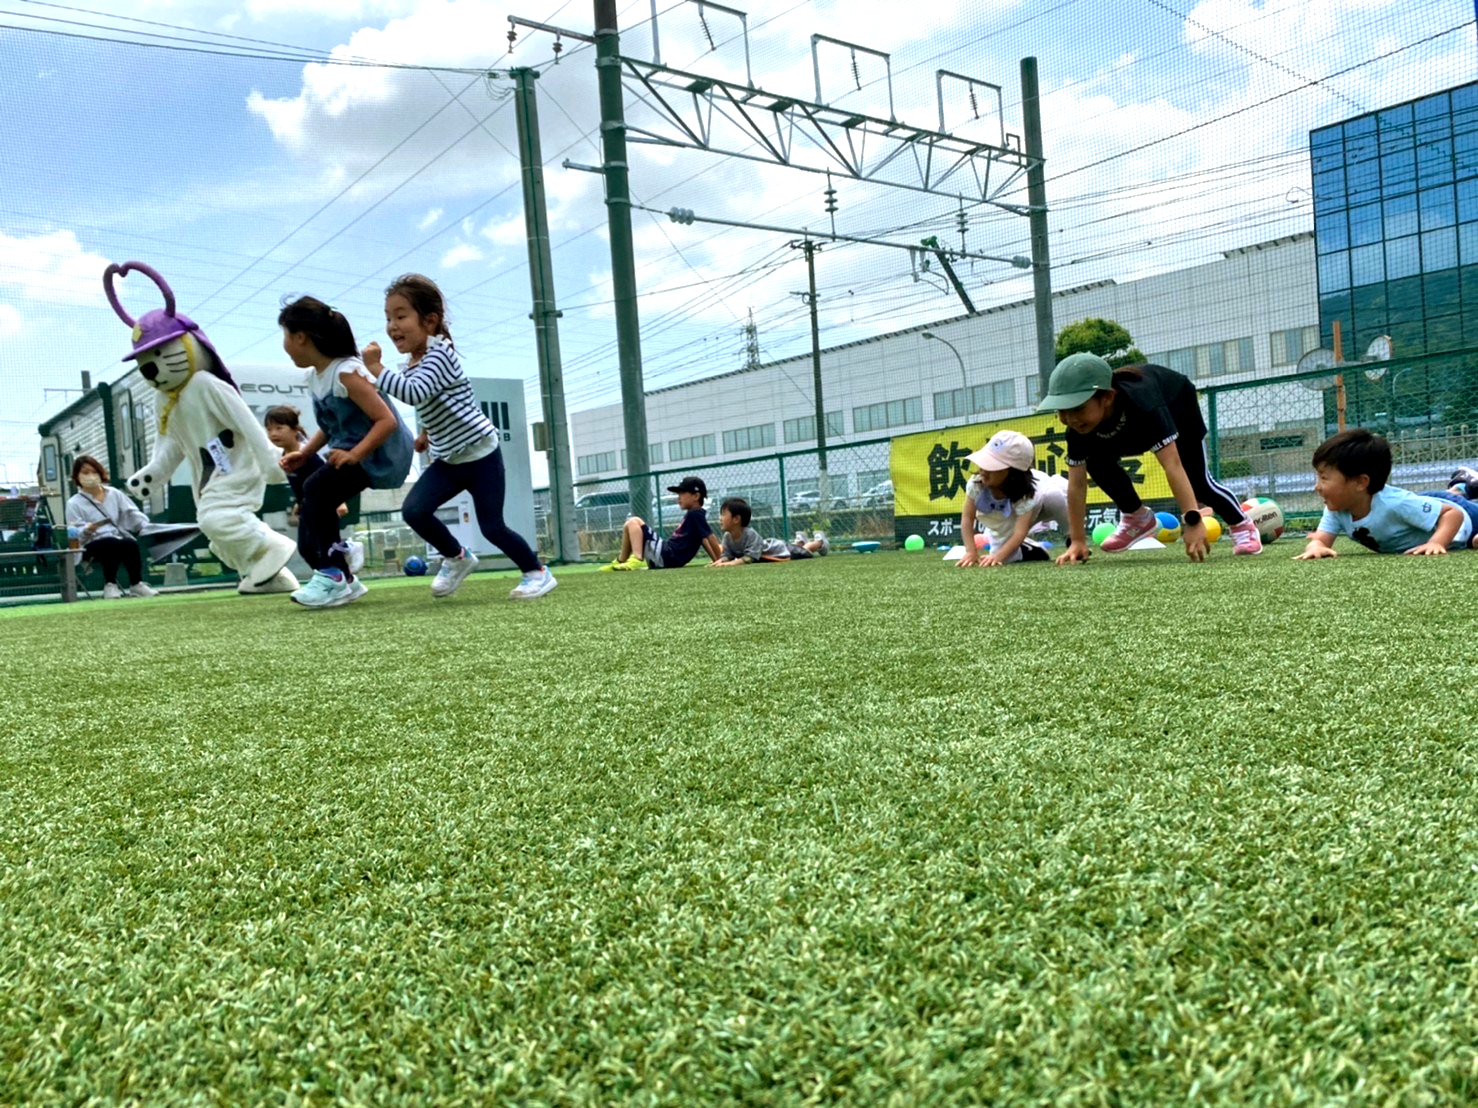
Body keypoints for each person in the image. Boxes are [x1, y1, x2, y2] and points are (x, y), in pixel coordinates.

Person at [362, 274, 556, 601]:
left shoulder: (440, 354)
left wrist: (376, 368)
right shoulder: (414, 362)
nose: (392, 326)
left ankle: (537, 572)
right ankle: (457, 557)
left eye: (400, 316)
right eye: (388, 318)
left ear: (430, 320)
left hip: (481, 456)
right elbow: (435, 401)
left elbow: (414, 393)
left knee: (492, 526)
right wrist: (425, 433)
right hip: (450, 459)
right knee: (414, 510)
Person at [1038, 352, 1262, 564]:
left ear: (1107, 398)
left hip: (1177, 407)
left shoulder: (1145, 405)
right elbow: (1076, 485)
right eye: (1062, 410)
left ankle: (1241, 525)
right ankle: (1137, 517)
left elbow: (1172, 465)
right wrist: (1077, 540)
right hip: (1125, 430)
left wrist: (1192, 521)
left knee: (1198, 483)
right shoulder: (1077, 429)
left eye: (1077, 408)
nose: (1070, 418)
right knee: (1095, 462)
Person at [278, 296, 412, 608]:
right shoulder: (318, 376)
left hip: (380, 453)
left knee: (316, 489)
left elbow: (386, 421)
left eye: (285, 336)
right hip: (355, 449)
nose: (284, 345)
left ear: (301, 337)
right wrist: (305, 451)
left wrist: (356, 454)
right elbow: (332, 424)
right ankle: (344, 576)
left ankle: (334, 575)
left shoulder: (347, 372)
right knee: (315, 495)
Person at [1295, 429, 1477, 558]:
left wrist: (1436, 543)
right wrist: (1316, 546)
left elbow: (1452, 514)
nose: (1316, 487)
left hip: (1465, 517)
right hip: (1424, 505)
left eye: (1324, 478)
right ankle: (1461, 485)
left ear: (1360, 482)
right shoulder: (1336, 508)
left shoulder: (1395, 504)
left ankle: (1463, 487)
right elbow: (1320, 540)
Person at [262, 405, 362, 574]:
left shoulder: (307, 454)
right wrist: (298, 502)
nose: (273, 434)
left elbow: (325, 478)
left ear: (294, 429)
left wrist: (339, 501)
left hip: (322, 505)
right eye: (269, 429)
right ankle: (337, 580)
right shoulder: (285, 455)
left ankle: (347, 548)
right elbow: (300, 483)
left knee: (322, 546)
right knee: (307, 549)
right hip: (307, 506)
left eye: (279, 428)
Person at [954, 429, 1068, 567]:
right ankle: (1032, 548)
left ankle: (1072, 538)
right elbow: (967, 518)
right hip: (1011, 513)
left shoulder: (1026, 494)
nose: (983, 469)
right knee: (1003, 558)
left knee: (1054, 497)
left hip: (1043, 504)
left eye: (991, 466)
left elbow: (1020, 532)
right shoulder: (976, 484)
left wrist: (998, 556)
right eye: (983, 463)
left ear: (1013, 473)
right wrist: (971, 551)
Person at [65, 455, 157, 599]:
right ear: (77, 477)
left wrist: (145, 526)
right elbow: (73, 531)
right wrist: (86, 530)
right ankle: (110, 584)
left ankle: (136, 584)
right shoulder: (73, 503)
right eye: (85, 473)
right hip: (89, 545)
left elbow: (131, 512)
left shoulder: (114, 494)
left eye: (94, 472)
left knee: (129, 543)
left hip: (116, 538)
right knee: (111, 543)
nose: (91, 476)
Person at [601, 476, 721, 570]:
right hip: (667, 557)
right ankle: (622, 561)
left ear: (696, 496)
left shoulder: (695, 514)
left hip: (667, 555)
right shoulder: (694, 515)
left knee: (633, 521)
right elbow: (703, 539)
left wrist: (721, 558)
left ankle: (637, 558)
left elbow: (709, 537)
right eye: (678, 494)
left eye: (682, 493)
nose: (678, 498)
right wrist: (716, 559)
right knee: (629, 524)